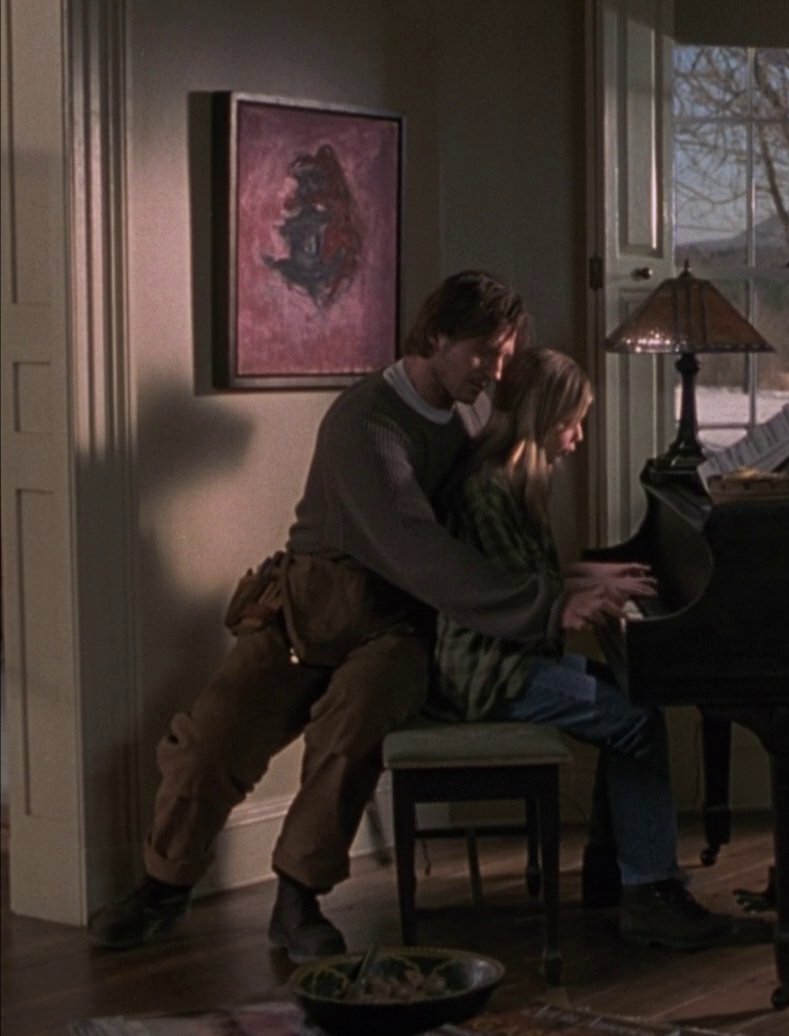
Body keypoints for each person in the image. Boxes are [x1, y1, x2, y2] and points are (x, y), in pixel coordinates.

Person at [88, 271, 641, 961]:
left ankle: (297, 900)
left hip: (397, 627)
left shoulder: (469, 417)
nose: (496, 371)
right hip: (307, 609)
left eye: (504, 355)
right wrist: (551, 606)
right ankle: (163, 886)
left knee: (352, 732)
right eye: (484, 352)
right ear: (436, 336)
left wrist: (568, 582)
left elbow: (469, 549)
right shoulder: (365, 421)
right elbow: (418, 548)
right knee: (211, 739)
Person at [430, 348, 735, 950]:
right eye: (572, 422)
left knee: (632, 693)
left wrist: (595, 577)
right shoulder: (488, 488)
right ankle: (648, 891)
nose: (578, 437)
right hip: (489, 670)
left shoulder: (508, 477)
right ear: (543, 416)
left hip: (509, 659)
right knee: (634, 720)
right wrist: (580, 594)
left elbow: (522, 579)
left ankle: (610, 868)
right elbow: (514, 600)